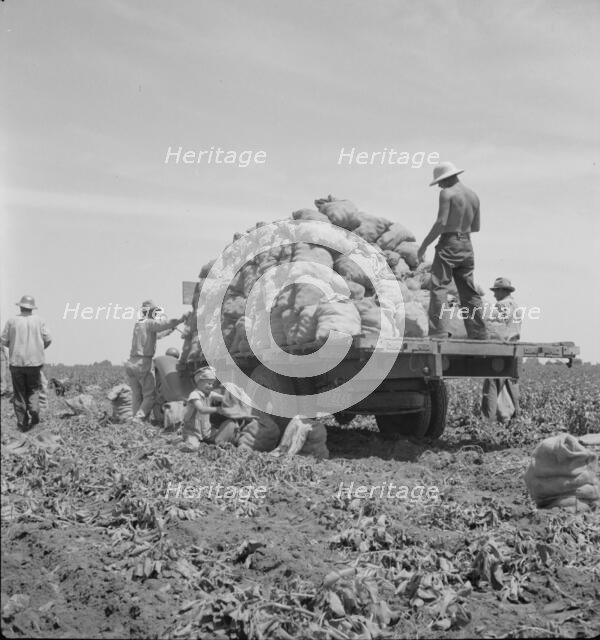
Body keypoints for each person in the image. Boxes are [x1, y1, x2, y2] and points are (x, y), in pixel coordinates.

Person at [417, 162, 487, 340]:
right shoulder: (474, 196)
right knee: (469, 291)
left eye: (440, 182)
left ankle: (438, 332)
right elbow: (476, 227)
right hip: (467, 245)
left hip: (449, 243)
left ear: (447, 178)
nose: (439, 185)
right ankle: (479, 333)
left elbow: (441, 223)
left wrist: (424, 245)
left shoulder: (447, 193)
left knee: (439, 287)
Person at [125, 300, 188, 426]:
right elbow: (163, 324)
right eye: (154, 312)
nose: (155, 314)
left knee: (137, 394)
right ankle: (139, 418)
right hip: (142, 362)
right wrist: (181, 319)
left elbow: (156, 335)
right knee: (150, 395)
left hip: (131, 362)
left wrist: (170, 330)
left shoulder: (139, 324)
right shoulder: (149, 323)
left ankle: (135, 419)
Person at [0, 295, 52, 430]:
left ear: (21, 306)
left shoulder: (12, 321)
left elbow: (4, 341)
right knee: (34, 390)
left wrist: (15, 346)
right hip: (35, 363)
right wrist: (39, 349)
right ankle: (34, 412)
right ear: (32, 308)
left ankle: (22, 423)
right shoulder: (40, 321)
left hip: (16, 363)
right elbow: (48, 339)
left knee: (19, 393)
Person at [481, 277, 521, 422]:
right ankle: (516, 420)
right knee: (511, 384)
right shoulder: (515, 306)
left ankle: (488, 423)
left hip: (501, 349)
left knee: (492, 384)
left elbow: (496, 328)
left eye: (496, 291)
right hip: (513, 348)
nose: (494, 294)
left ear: (503, 291)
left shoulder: (501, 305)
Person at [180, 366, 224, 451]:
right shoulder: (195, 394)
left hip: (206, 431)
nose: (211, 386)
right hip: (193, 432)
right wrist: (218, 409)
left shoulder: (209, 394)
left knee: (220, 436)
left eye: (212, 384)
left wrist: (232, 398)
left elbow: (221, 397)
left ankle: (206, 439)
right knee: (193, 447)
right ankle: (180, 441)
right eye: (208, 383)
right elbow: (201, 409)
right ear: (199, 382)